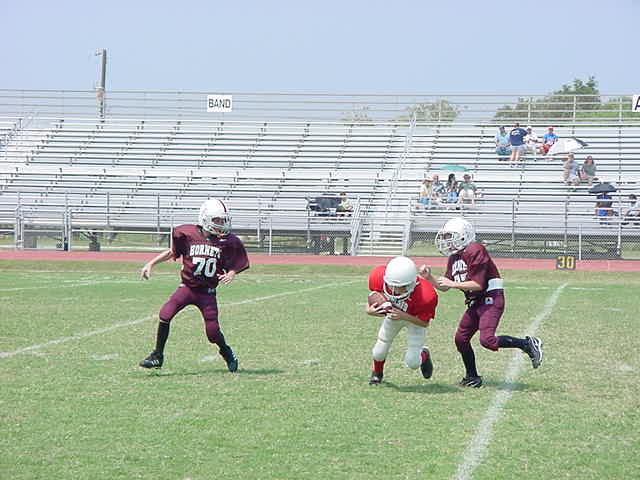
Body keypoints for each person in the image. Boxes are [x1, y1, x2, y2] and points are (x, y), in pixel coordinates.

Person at [420, 217, 543, 388]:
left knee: (487, 340)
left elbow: (478, 284)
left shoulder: (475, 249)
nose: (447, 241)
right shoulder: (454, 257)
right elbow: (445, 286)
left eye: (450, 236)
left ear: (463, 235)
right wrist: (430, 277)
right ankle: (472, 377)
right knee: (461, 339)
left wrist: (453, 284)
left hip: (490, 298)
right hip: (475, 302)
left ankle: (527, 344)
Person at [138, 198, 249, 371]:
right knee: (165, 314)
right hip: (187, 288)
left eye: (223, 220)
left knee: (212, 333)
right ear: (205, 218)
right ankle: (157, 356)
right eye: (217, 220)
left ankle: (226, 351)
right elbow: (172, 252)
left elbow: (236, 263)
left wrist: (232, 273)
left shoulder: (228, 241)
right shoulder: (188, 234)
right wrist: (151, 263)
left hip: (207, 292)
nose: (221, 224)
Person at [366, 256, 438, 385]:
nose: (395, 290)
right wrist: (369, 310)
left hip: (414, 319)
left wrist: (404, 316)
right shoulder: (378, 275)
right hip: (394, 315)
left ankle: (425, 354)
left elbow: (424, 323)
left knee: (413, 362)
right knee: (379, 350)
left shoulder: (426, 294)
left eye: (400, 286)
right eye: (392, 285)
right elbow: (374, 296)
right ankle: (377, 373)